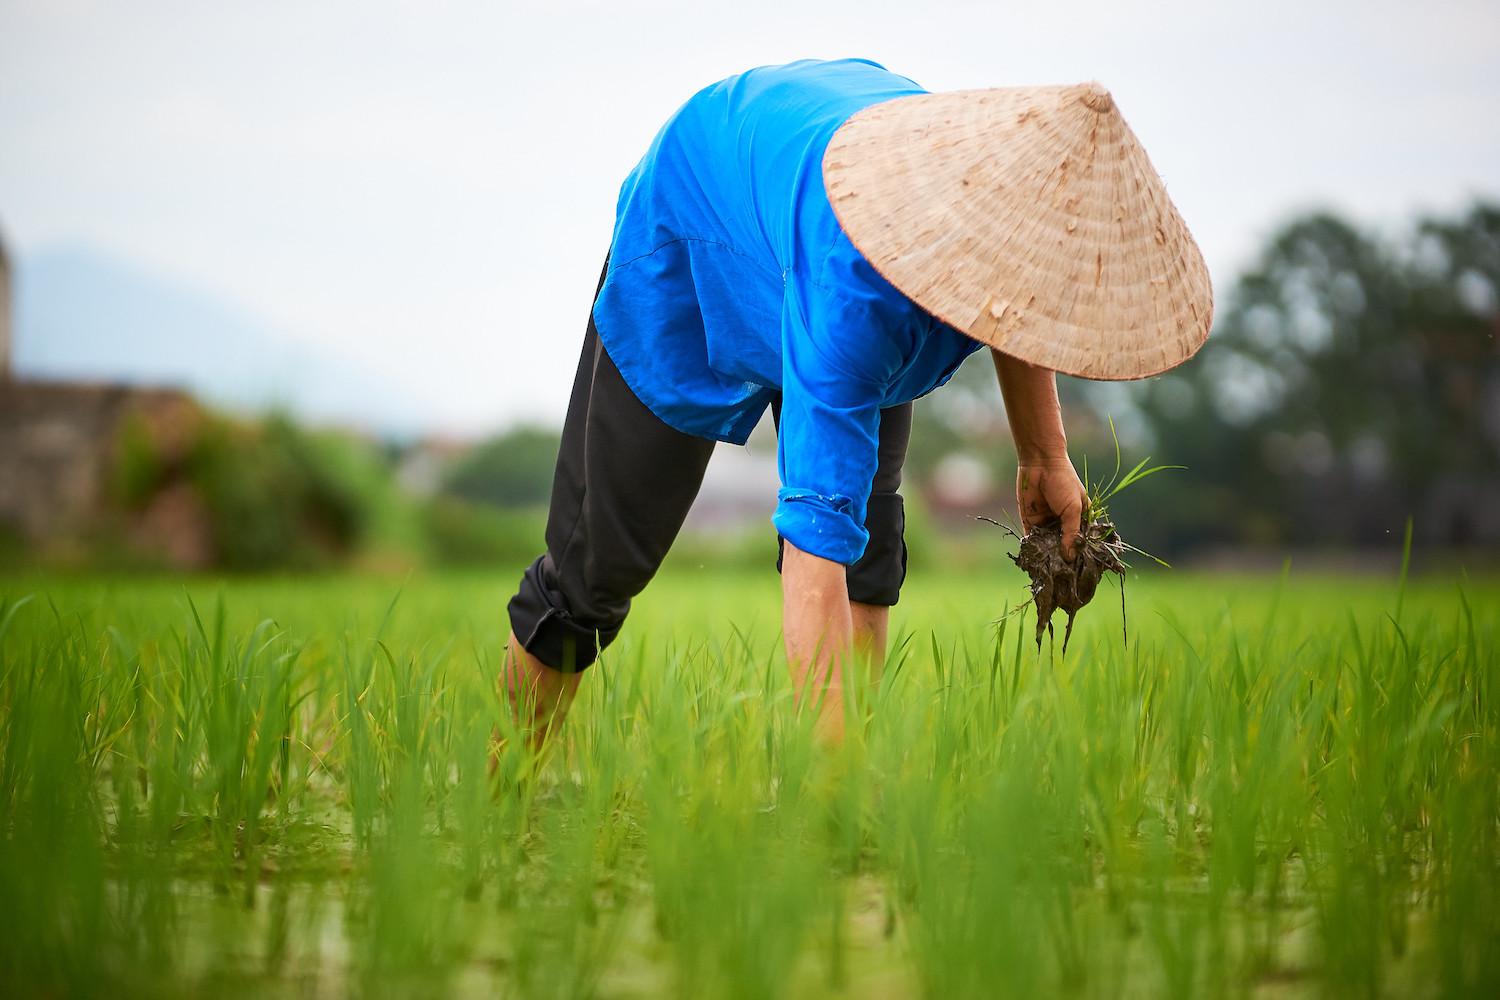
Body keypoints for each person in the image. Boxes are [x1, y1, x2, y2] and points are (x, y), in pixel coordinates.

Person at [502, 58, 1211, 743]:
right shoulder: (859, 300)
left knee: (869, 543)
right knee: (594, 576)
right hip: (698, 219)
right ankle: (506, 795)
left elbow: (1012, 293)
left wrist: (1043, 456)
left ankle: (844, 786)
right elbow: (814, 549)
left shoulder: (986, 202)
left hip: (804, 199)